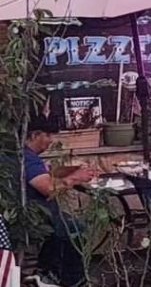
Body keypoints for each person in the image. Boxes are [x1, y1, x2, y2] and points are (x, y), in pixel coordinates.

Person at [23, 119, 96, 287]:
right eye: (48, 135)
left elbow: (44, 177)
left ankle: (46, 272)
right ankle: (71, 281)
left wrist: (70, 172)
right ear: (35, 135)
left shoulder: (26, 156)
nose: (51, 140)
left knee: (67, 226)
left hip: (39, 212)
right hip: (36, 216)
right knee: (75, 230)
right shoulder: (28, 158)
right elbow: (48, 188)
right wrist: (76, 178)